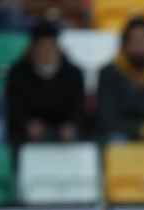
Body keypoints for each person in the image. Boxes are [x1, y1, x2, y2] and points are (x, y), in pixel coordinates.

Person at [5, 20, 85, 149]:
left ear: (58, 48)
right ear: (32, 49)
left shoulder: (73, 73)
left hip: (64, 131)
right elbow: (14, 107)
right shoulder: (17, 73)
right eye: (41, 46)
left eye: (51, 46)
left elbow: (79, 107)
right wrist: (26, 124)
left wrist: (72, 125)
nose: (46, 51)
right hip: (28, 130)